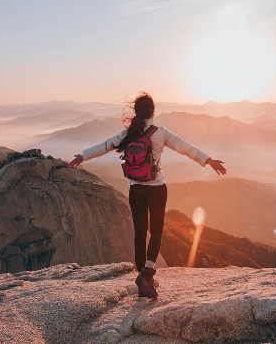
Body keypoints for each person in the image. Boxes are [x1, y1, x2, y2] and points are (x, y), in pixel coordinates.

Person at [69, 92, 226, 299]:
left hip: (136, 188)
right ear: (153, 111)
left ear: (136, 111)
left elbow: (106, 146)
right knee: (157, 231)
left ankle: (142, 279)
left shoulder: (129, 133)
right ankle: (147, 274)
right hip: (157, 187)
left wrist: (83, 156)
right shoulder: (160, 132)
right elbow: (185, 148)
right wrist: (208, 160)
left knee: (140, 233)